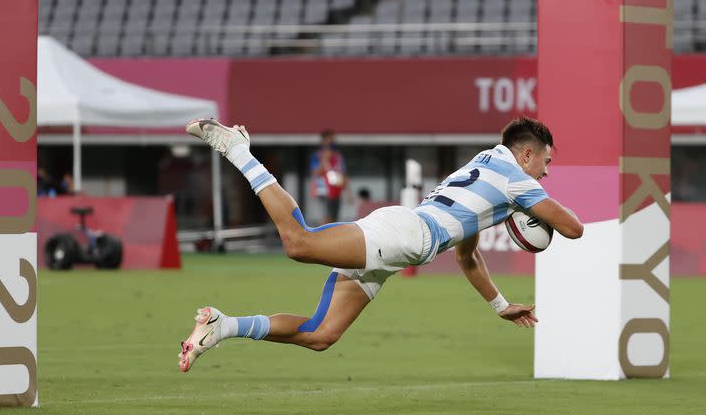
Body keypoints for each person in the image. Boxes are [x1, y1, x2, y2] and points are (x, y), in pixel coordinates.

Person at [178, 117, 584, 372]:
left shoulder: (490, 164)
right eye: (546, 162)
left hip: (402, 244)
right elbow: (573, 228)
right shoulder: (517, 179)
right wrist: (532, 206)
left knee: (322, 335)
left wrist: (500, 305)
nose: (546, 173)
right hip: (404, 236)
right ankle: (239, 150)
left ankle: (223, 325)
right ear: (527, 154)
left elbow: (468, 255)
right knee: (298, 243)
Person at [310, 129, 349, 223]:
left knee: (335, 218)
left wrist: (348, 192)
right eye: (329, 138)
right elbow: (315, 173)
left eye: (333, 139)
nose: (331, 141)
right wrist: (325, 160)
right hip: (323, 190)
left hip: (336, 189)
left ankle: (334, 236)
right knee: (326, 216)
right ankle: (323, 236)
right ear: (323, 140)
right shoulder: (317, 155)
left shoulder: (338, 156)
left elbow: (343, 173)